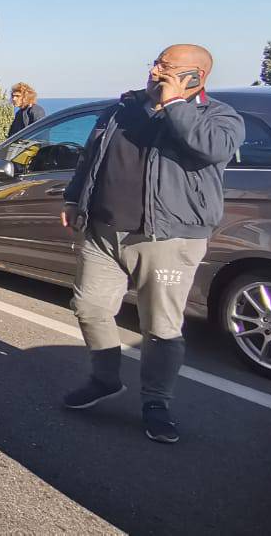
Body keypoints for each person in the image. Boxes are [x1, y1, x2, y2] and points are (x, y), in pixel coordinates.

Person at [59, 44, 242, 444]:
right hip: (104, 231)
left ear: (196, 77)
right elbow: (90, 158)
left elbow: (211, 148)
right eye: (156, 63)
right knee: (88, 308)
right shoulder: (122, 108)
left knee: (160, 327)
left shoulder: (218, 116)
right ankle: (105, 379)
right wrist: (74, 199)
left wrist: (175, 103)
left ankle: (156, 401)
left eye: (167, 67)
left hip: (167, 238)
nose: (156, 71)